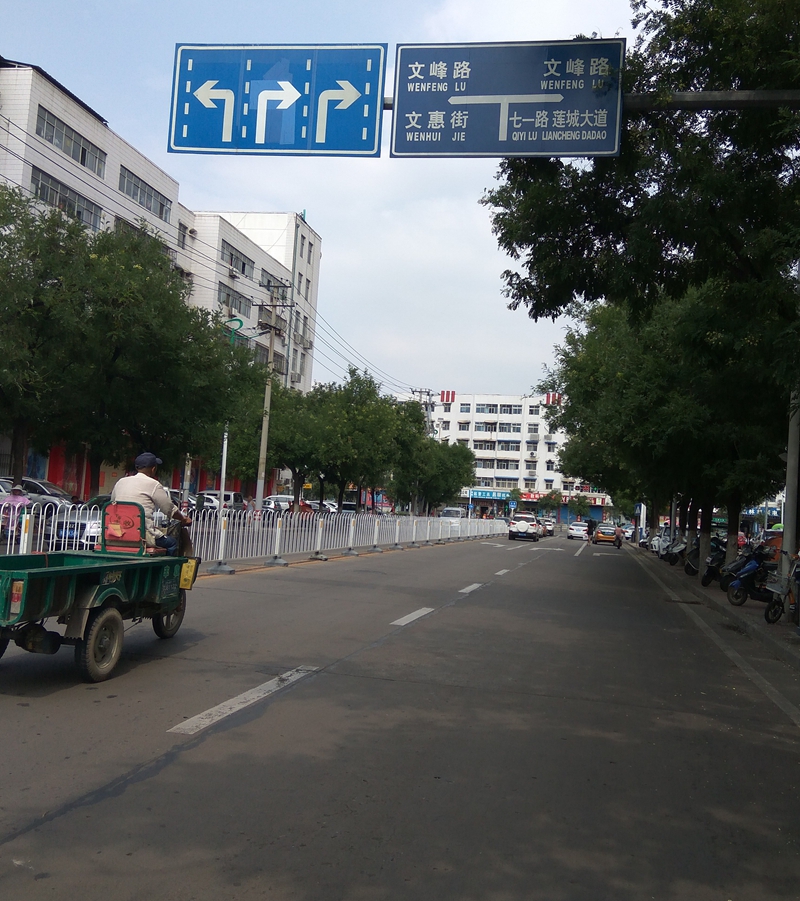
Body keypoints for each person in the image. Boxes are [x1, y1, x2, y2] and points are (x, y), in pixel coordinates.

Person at [110, 453, 191, 555]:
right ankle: (166, 565)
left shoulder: (120, 482)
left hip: (118, 532)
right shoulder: (154, 484)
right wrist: (183, 519)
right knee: (173, 543)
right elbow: (168, 508)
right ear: (153, 469)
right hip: (142, 536)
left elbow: (112, 503)